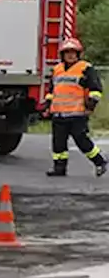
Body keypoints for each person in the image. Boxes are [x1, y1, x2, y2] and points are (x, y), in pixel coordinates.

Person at [42, 37, 106, 178]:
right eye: (67, 52)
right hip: (58, 114)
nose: (70, 55)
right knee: (58, 144)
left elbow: (96, 88)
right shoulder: (57, 70)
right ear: (62, 54)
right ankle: (59, 168)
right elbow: (52, 91)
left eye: (73, 52)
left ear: (78, 54)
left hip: (78, 113)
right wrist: (47, 106)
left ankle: (100, 162)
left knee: (81, 140)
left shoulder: (85, 68)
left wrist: (91, 103)